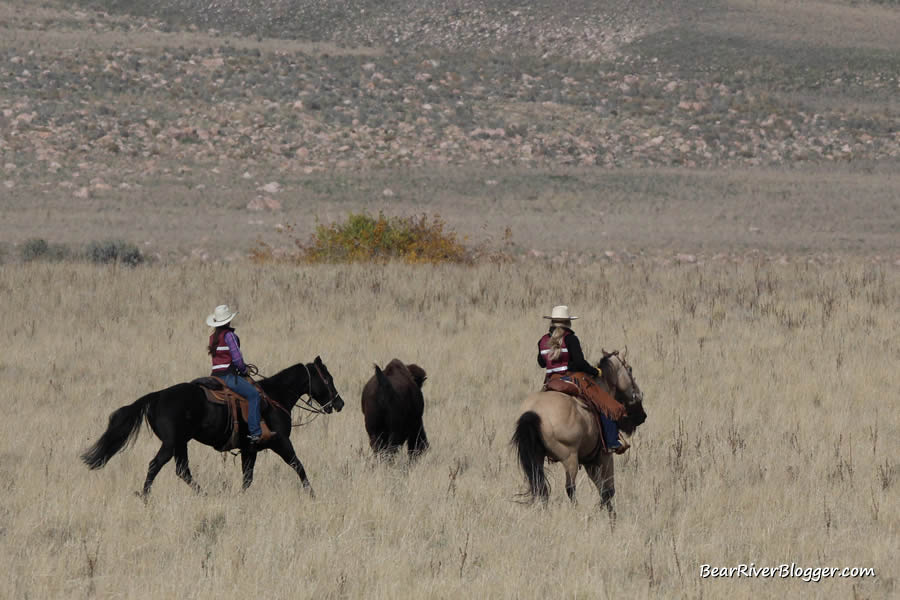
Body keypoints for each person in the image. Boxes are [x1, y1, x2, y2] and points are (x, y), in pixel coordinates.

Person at [537, 305, 626, 453]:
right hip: (571, 378)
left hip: (551, 381)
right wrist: (595, 371)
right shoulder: (570, 339)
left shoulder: (542, 341)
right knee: (603, 402)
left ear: (552, 322)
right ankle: (611, 441)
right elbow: (579, 363)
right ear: (568, 322)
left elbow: (541, 363)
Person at [206, 304, 265, 445]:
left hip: (214, 376)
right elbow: (237, 359)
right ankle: (255, 432)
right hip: (228, 376)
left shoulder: (212, 337)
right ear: (228, 320)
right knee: (254, 395)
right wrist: (244, 370)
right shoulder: (230, 336)